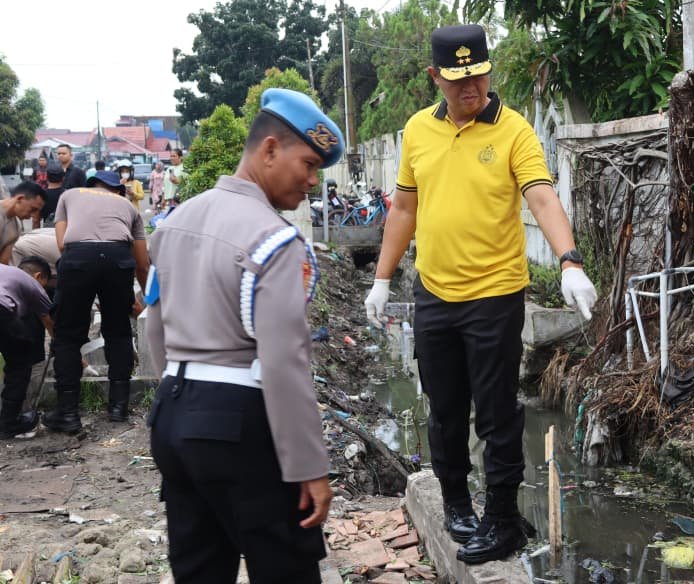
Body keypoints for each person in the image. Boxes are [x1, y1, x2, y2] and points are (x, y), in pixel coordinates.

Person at [363, 24, 598, 565]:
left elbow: (540, 196)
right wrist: (381, 278)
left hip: (495, 295)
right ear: (435, 78)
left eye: (477, 75)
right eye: (457, 79)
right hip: (434, 294)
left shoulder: (514, 131)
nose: (470, 87)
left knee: (496, 413)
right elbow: (403, 208)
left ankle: (501, 519)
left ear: (489, 71)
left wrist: (569, 261)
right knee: (444, 411)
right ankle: (456, 506)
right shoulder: (418, 131)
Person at [144, 88, 339, 583]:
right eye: (309, 164)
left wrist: (174, 398)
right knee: (286, 568)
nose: (312, 182)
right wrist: (309, 466)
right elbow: (284, 361)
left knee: (199, 567)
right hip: (239, 423)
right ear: (270, 150)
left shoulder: (173, 222)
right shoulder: (273, 238)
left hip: (172, 411)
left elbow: (153, 325)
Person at [43, 171, 149, 434]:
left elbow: (61, 243)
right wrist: (147, 298)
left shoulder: (69, 195)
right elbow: (142, 263)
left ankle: (68, 414)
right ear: (118, 189)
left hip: (78, 256)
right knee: (119, 332)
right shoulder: (127, 206)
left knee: (67, 336)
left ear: (91, 186)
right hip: (118, 258)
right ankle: (118, 409)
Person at [0, 258, 53, 438]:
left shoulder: (7, 272)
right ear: (39, 276)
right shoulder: (32, 283)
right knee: (20, 362)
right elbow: (49, 320)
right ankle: (9, 423)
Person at [1, 182, 46, 265]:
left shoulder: (16, 227)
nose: (33, 215)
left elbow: (3, 263)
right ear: (20, 199)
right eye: (33, 209)